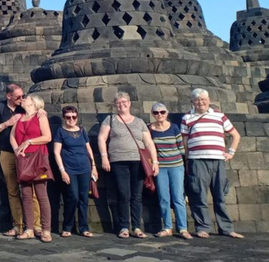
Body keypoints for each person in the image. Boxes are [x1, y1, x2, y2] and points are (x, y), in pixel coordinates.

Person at [181, 88, 244, 239]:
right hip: (197, 160)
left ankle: (227, 228)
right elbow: (185, 142)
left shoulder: (220, 116)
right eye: (197, 100)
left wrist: (231, 152)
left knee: (220, 195)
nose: (200, 102)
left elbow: (235, 135)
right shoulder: (187, 118)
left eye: (203, 99)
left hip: (218, 160)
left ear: (209, 101)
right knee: (198, 195)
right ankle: (202, 227)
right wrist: (188, 160)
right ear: (192, 102)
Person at [0, 83, 45, 237]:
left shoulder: (24, 107)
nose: (22, 98)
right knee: (12, 190)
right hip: (6, 152)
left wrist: (42, 112)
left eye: (23, 96)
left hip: (27, 154)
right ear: (8, 96)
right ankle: (18, 224)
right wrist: (7, 123)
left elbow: (38, 112)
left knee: (31, 190)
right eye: (18, 96)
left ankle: (35, 225)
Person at [97, 92, 159, 239]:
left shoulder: (139, 121)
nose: (122, 104)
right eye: (118, 102)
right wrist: (104, 157)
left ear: (129, 103)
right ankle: (124, 226)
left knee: (137, 195)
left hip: (138, 161)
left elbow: (149, 142)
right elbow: (101, 138)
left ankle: (137, 227)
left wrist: (155, 162)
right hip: (118, 161)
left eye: (124, 102)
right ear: (115, 105)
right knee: (123, 194)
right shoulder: (110, 119)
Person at [10, 95, 53, 243]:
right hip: (23, 158)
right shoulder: (19, 117)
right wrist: (17, 150)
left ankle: (46, 229)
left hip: (38, 157)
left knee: (41, 194)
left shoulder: (40, 117)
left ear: (34, 103)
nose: (24, 99)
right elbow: (12, 136)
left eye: (27, 98)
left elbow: (47, 137)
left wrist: (29, 141)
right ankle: (29, 229)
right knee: (26, 194)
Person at [53, 106, 98, 238]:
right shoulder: (60, 132)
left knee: (83, 198)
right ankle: (68, 226)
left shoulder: (82, 131)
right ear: (64, 118)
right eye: (68, 117)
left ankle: (84, 227)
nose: (71, 119)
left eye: (73, 117)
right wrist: (62, 171)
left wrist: (93, 166)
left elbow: (88, 149)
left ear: (77, 117)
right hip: (69, 169)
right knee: (72, 197)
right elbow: (56, 152)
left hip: (84, 168)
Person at [148, 102, 190, 239]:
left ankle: (183, 228)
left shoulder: (174, 127)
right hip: (160, 167)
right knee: (163, 197)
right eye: (156, 112)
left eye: (162, 112)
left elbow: (181, 147)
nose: (159, 115)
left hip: (176, 165)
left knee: (178, 197)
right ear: (152, 114)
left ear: (167, 113)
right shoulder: (150, 129)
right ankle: (167, 227)